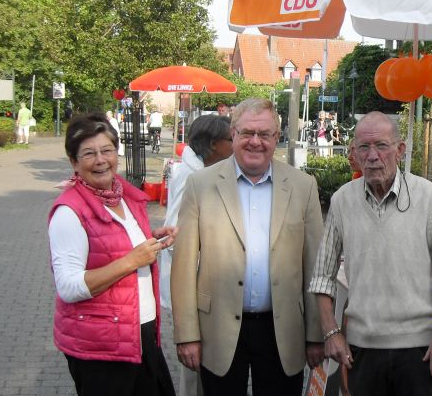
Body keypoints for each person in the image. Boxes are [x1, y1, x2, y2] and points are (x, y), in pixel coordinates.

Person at [309, 111, 432, 396]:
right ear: (355, 153)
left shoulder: (428, 197)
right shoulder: (342, 201)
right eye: (364, 147)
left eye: (381, 146)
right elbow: (322, 277)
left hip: (421, 349)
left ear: (399, 150)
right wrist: (331, 332)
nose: (373, 156)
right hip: (363, 349)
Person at [171, 98, 325, 396]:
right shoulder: (200, 185)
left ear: (276, 137)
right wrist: (186, 334)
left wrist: (315, 335)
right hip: (218, 328)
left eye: (264, 134)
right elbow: (183, 265)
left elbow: (314, 267)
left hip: (282, 330)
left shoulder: (303, 186)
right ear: (233, 134)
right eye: (247, 133)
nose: (256, 142)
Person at [47, 113, 177, 395]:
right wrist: (132, 260)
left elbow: (115, 245)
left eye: (107, 150)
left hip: (139, 332)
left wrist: (150, 241)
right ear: (74, 162)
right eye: (89, 154)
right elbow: (69, 287)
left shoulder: (126, 197)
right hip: (100, 347)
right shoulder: (69, 212)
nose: (101, 160)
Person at [160, 114, 232, 396]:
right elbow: (176, 233)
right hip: (195, 282)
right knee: (194, 359)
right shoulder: (192, 176)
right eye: (231, 139)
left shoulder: (201, 168)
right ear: (214, 145)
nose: (235, 144)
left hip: (202, 280)